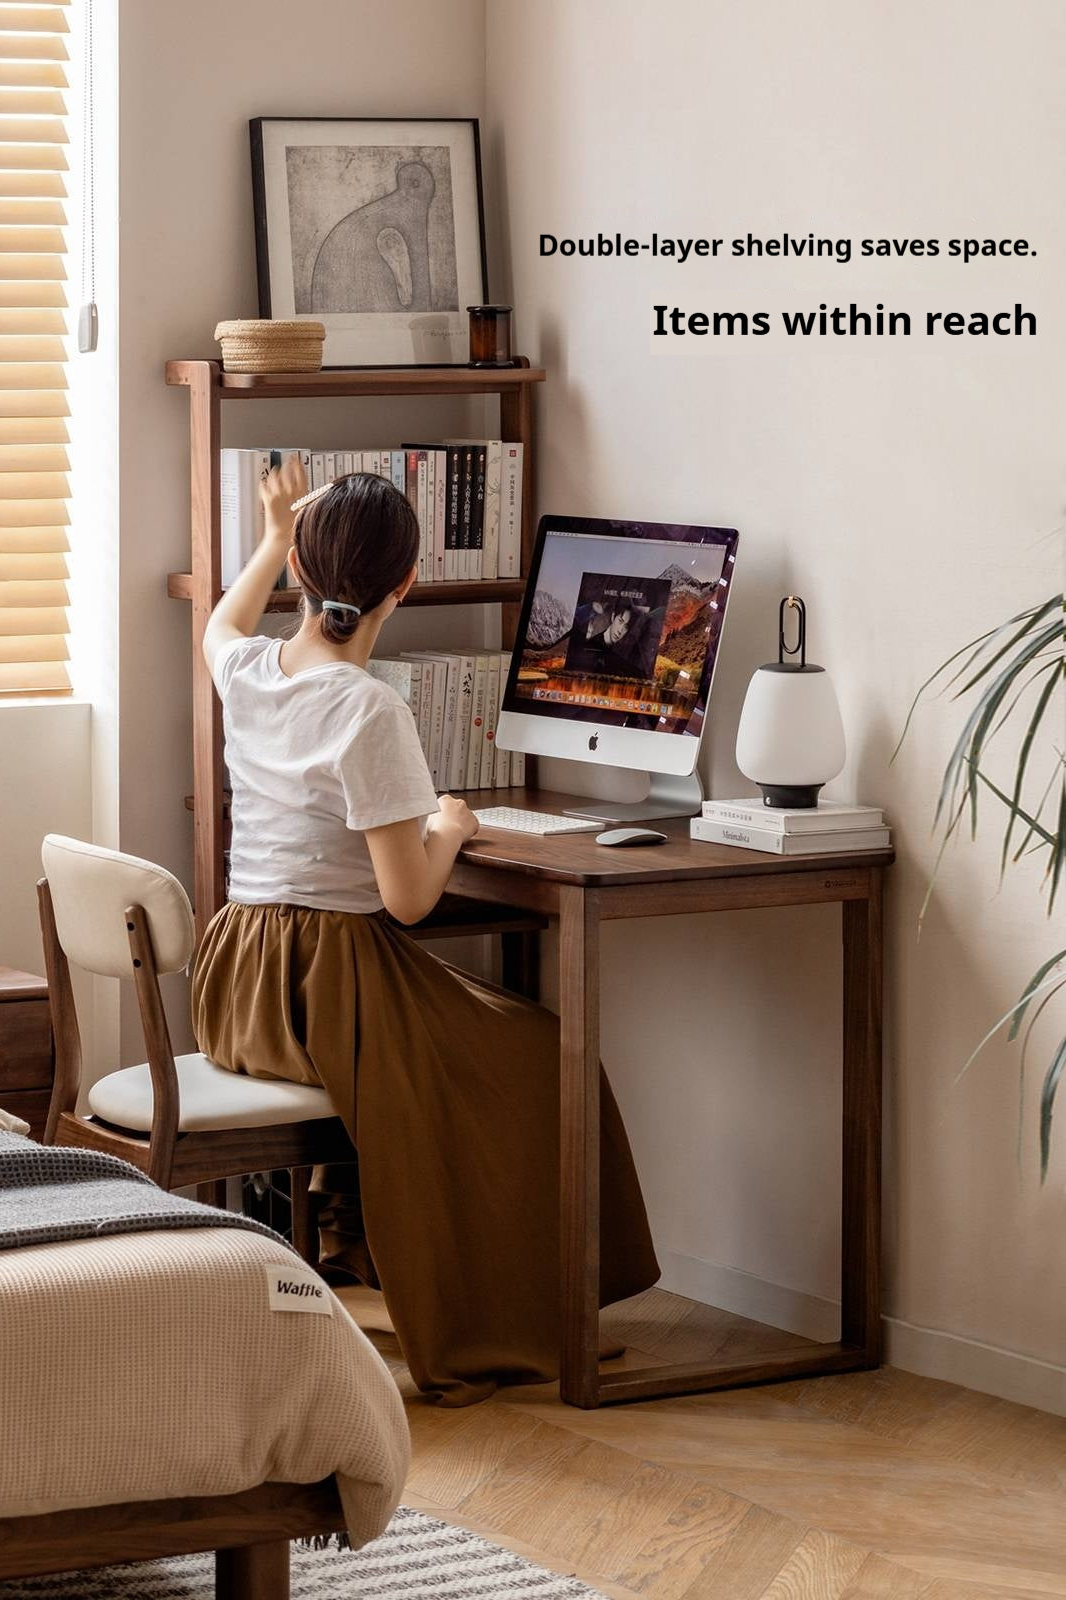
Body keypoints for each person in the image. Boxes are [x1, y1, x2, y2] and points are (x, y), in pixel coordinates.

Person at [190, 458, 659, 1406]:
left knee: (489, 1038)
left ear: (304, 574)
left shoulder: (250, 672)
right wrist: (451, 825)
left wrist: (276, 533)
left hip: (240, 981)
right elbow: (407, 902)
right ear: (406, 585)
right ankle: (528, 1318)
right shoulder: (370, 710)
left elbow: (220, 623)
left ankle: (381, 1241)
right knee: (541, 1056)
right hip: (326, 986)